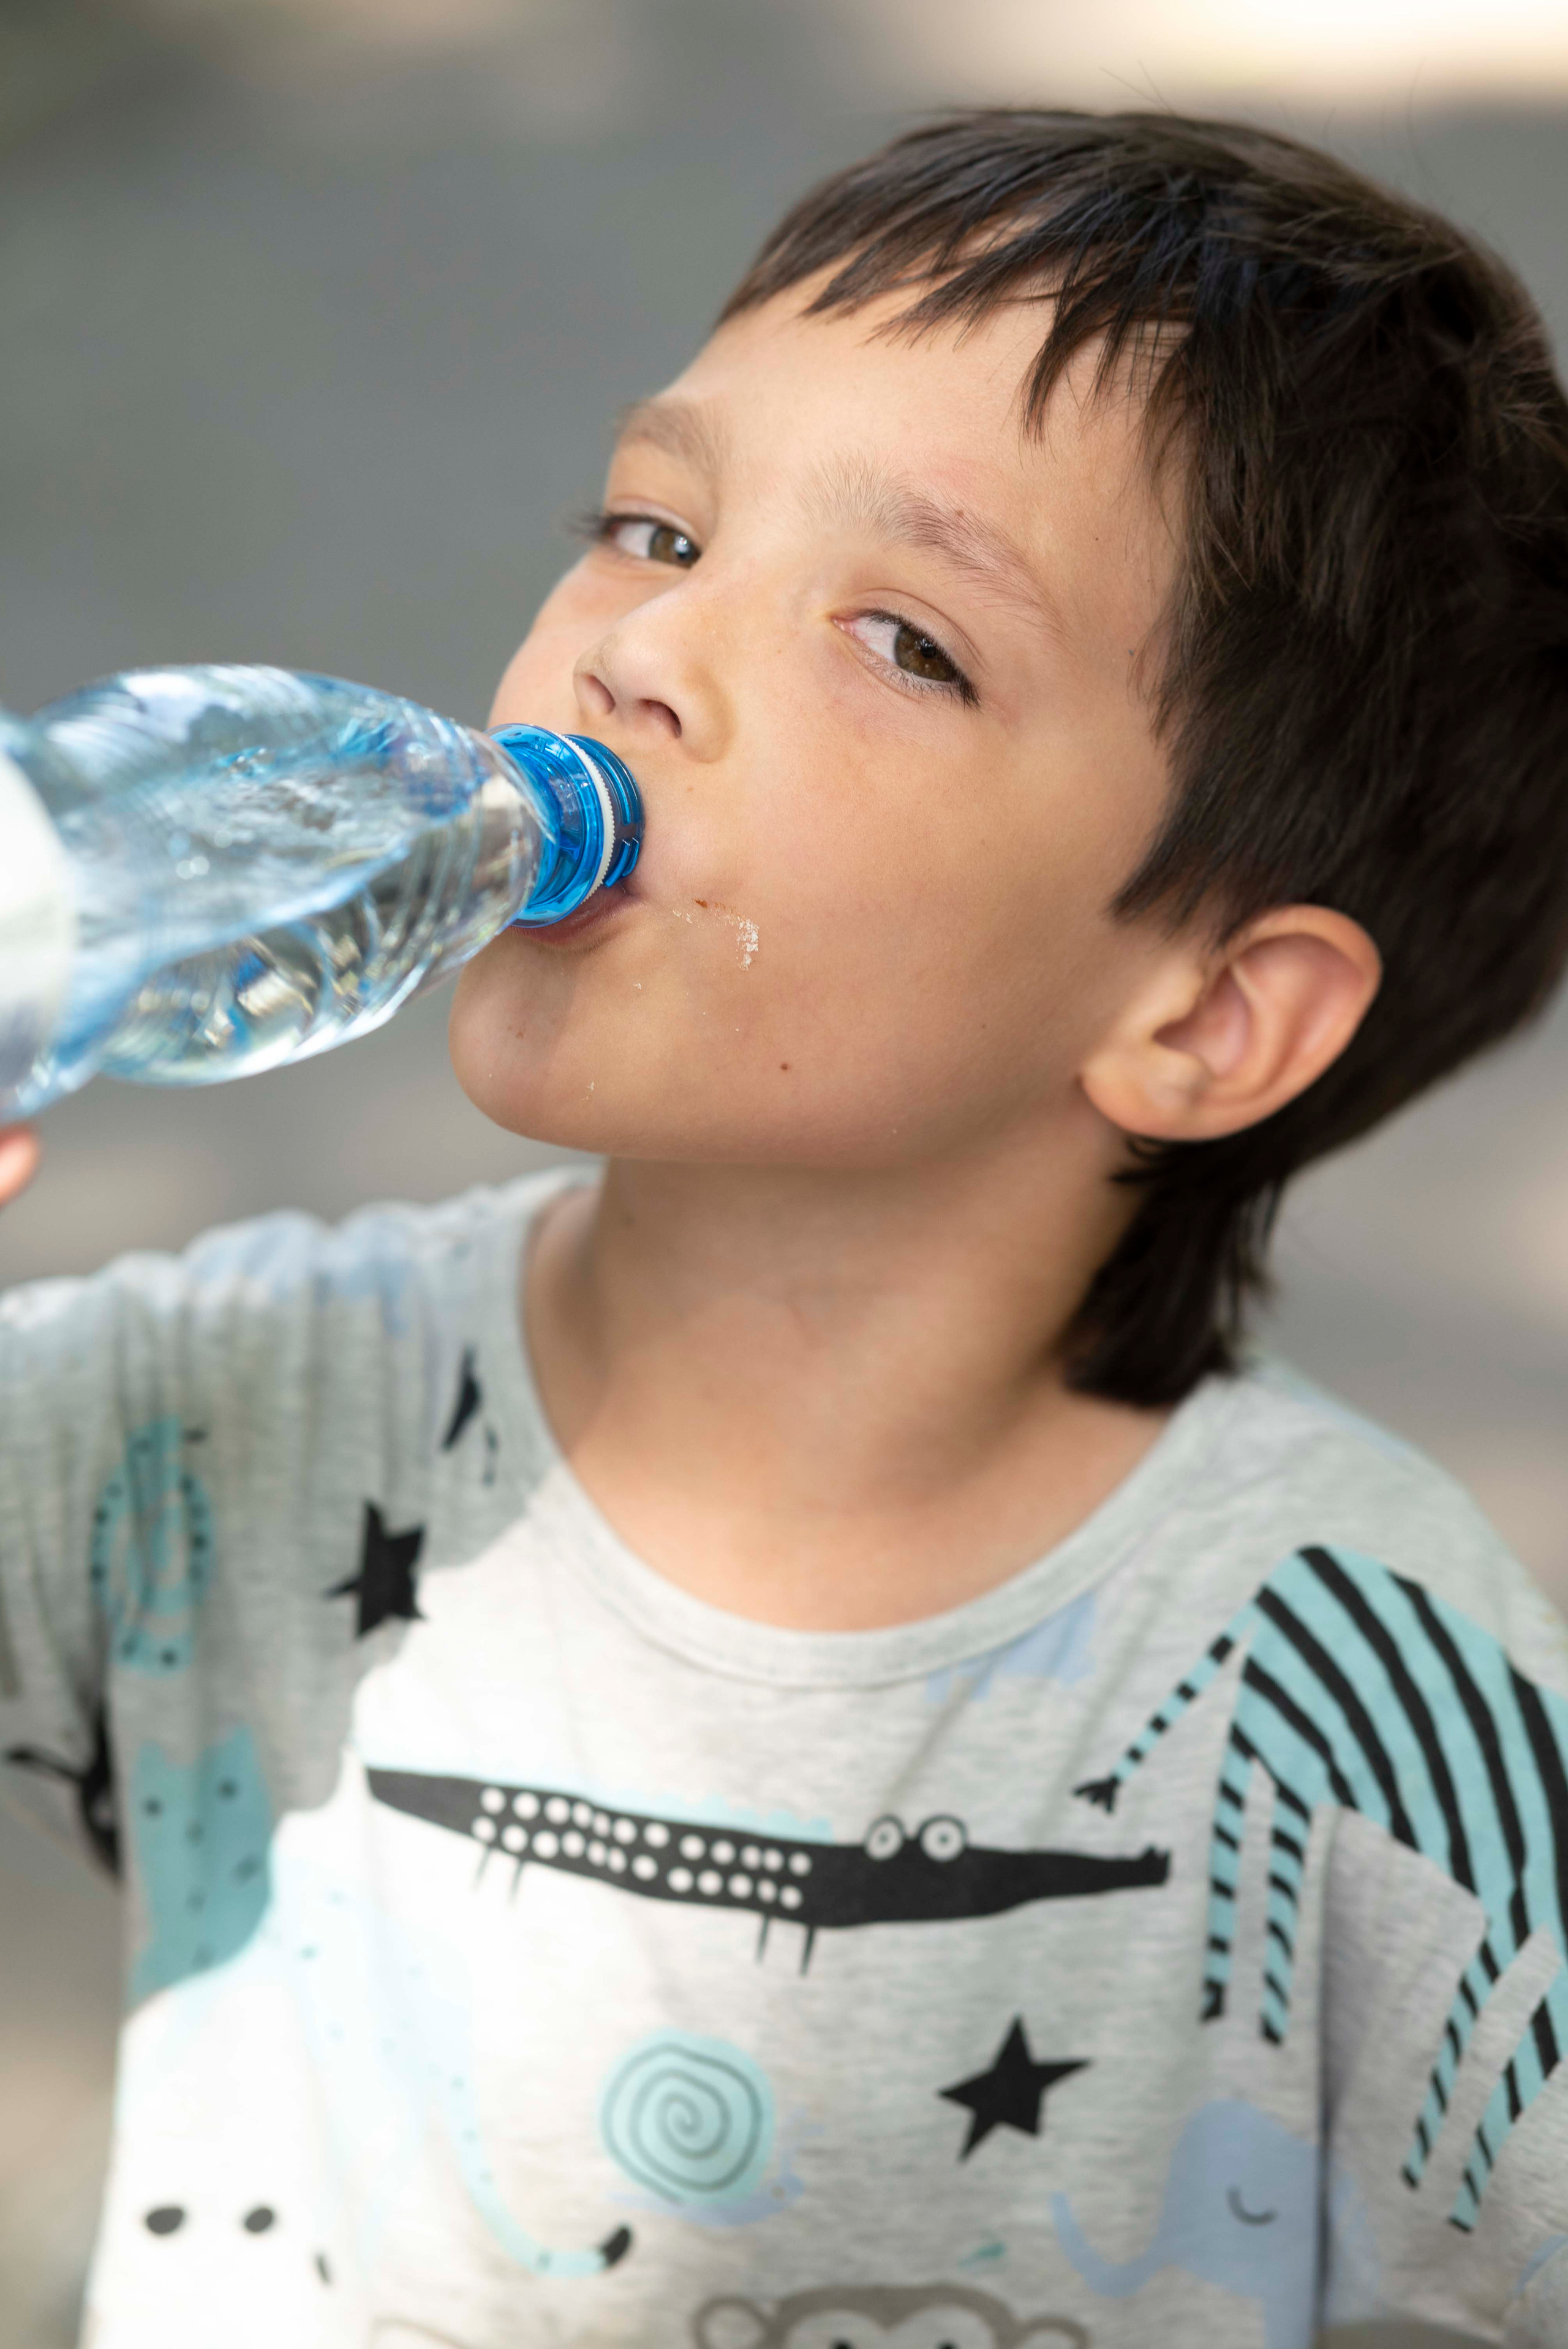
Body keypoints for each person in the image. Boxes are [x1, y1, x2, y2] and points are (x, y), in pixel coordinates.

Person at [2, 108, 1567, 2349]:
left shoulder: (1361, 1693)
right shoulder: (208, 1421)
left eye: (907, 641)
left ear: (1206, 1012)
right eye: (656, 523)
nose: (641, 650)